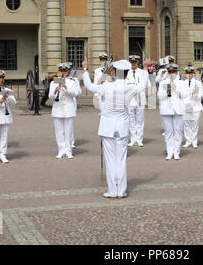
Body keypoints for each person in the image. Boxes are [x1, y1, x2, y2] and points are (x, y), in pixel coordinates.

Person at [81, 57, 148, 199]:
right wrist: (146, 69)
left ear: (115, 73)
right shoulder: (129, 86)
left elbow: (89, 86)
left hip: (108, 126)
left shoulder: (106, 86)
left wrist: (86, 69)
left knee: (111, 160)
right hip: (122, 126)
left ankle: (113, 190)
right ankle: (121, 190)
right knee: (121, 159)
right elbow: (143, 85)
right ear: (126, 74)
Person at [49, 63, 82, 159]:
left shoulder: (72, 81)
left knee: (68, 131)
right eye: (61, 71)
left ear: (68, 71)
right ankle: (61, 150)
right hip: (57, 109)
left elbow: (76, 93)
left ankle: (68, 150)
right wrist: (55, 91)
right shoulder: (53, 82)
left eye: (65, 71)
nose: (63, 73)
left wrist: (66, 87)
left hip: (69, 109)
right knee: (59, 131)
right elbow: (50, 96)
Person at [158, 64, 189, 160]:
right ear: (168, 73)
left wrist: (176, 88)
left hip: (178, 110)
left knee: (178, 131)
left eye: (173, 72)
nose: (172, 74)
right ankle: (169, 151)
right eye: (170, 72)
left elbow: (185, 95)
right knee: (168, 132)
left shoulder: (182, 83)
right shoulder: (163, 82)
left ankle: (176, 152)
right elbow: (159, 96)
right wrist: (167, 90)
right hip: (166, 110)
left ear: (176, 72)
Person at [126, 55, 151, 147]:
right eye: (132, 62)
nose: (133, 64)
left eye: (135, 62)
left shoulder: (142, 72)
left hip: (140, 98)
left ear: (138, 62)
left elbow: (148, 84)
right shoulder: (126, 72)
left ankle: (139, 139)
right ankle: (133, 139)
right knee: (131, 121)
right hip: (130, 100)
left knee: (140, 120)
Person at [182, 65, 203, 148]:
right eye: (187, 73)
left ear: (193, 73)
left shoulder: (198, 82)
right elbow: (180, 94)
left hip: (195, 106)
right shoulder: (183, 82)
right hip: (186, 106)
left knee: (195, 124)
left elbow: (201, 94)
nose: (189, 75)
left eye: (190, 73)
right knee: (187, 124)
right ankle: (188, 140)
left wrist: (197, 96)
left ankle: (194, 141)